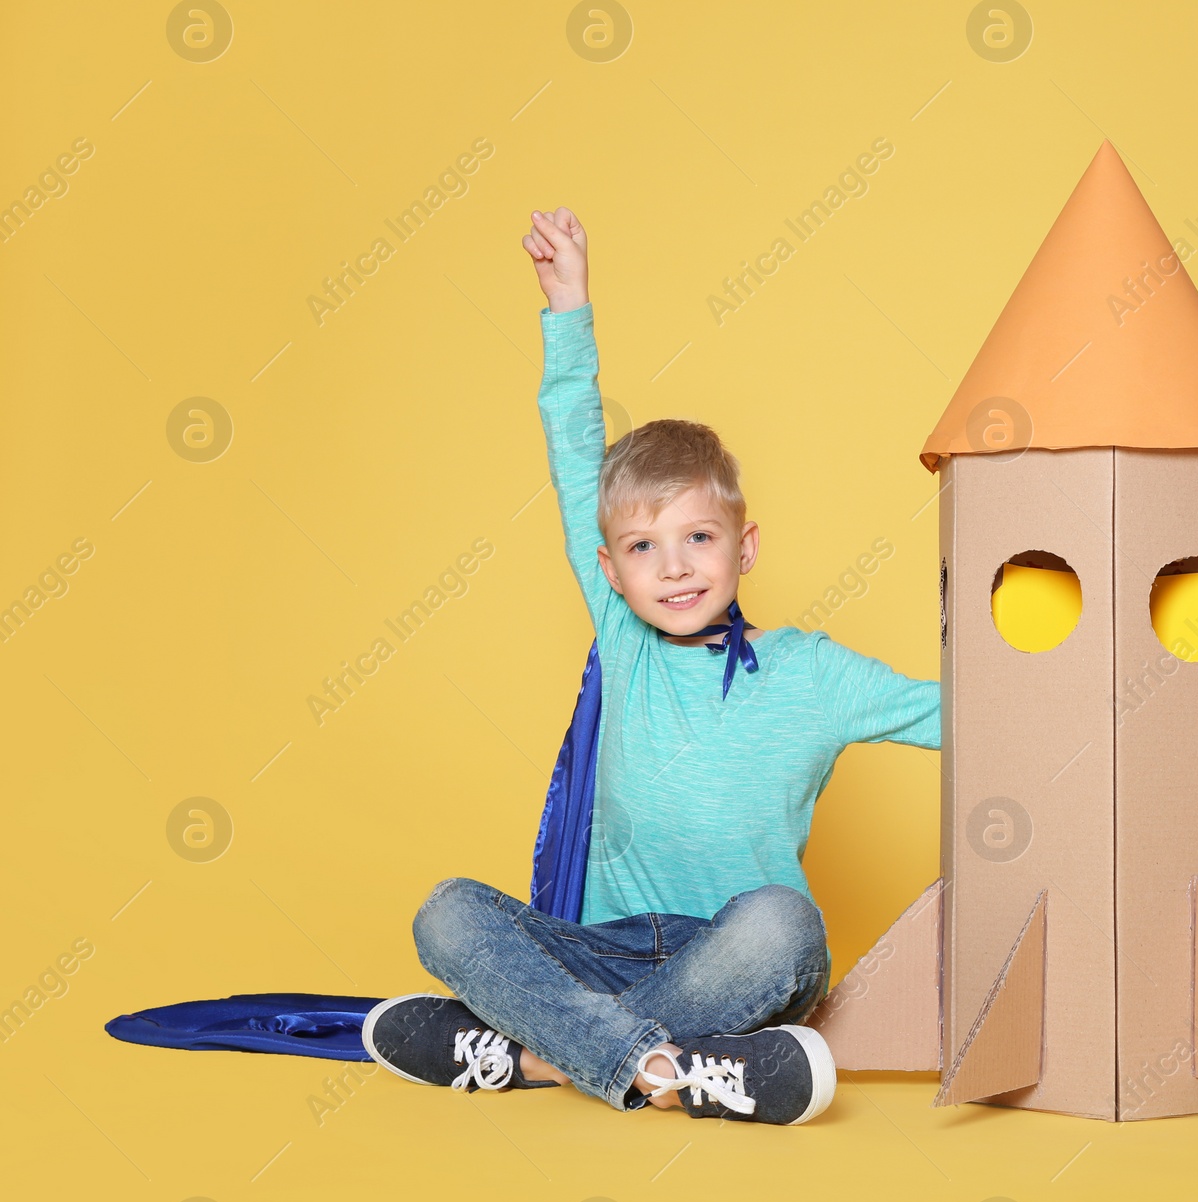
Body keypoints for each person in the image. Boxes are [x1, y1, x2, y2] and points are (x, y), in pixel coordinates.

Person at [362, 206, 939, 1125]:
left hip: (737, 962)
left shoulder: (813, 673)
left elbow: (966, 717)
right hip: (607, 951)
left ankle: (529, 1058)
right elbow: (574, 457)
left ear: (745, 548)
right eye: (643, 546)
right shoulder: (626, 642)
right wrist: (568, 311)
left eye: (698, 537)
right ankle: (681, 1071)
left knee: (786, 923)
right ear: (611, 570)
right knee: (448, 912)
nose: (673, 566)